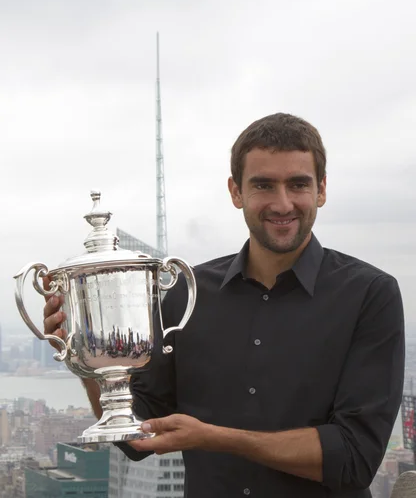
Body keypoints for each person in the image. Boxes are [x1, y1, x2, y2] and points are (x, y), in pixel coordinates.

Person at [43, 113, 405, 497]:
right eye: (263, 185)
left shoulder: (369, 295)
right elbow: (137, 434)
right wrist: (88, 360)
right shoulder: (187, 293)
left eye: (298, 184)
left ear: (321, 190)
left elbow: (354, 457)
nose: (283, 204)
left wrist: (214, 438)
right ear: (236, 192)